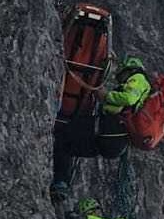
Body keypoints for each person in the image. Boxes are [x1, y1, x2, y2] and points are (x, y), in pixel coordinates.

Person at [50, 55, 153, 202]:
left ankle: (61, 181)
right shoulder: (143, 90)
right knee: (70, 146)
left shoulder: (138, 78)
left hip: (110, 129)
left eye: (123, 74)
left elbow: (129, 98)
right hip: (115, 143)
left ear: (130, 70)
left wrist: (106, 96)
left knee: (64, 134)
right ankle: (61, 184)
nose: (121, 78)